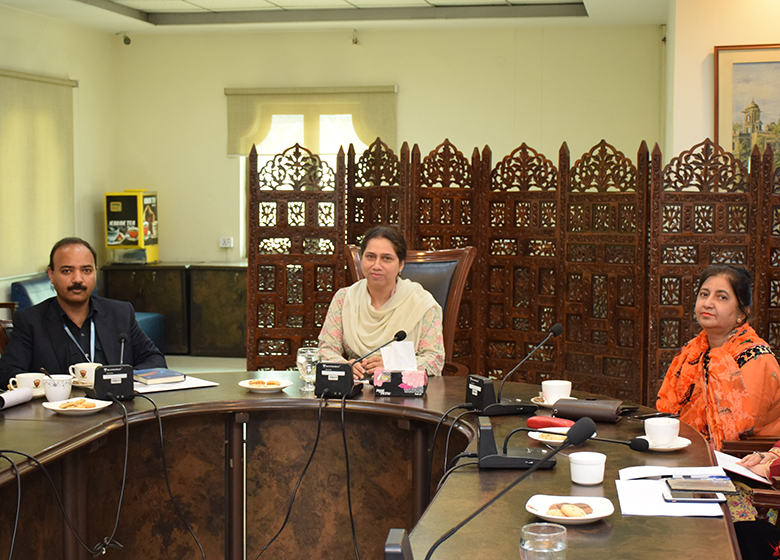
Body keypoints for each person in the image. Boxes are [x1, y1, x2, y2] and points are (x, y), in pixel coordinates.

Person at [0, 237, 166, 386]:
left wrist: (121, 379)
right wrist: (51, 386)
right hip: (59, 407)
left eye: (86, 270)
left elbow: (155, 360)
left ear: (95, 273)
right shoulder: (30, 321)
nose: (78, 279)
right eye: (67, 271)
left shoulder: (120, 313)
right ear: (51, 275)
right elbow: (7, 372)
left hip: (116, 405)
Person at [656, 265, 780, 451]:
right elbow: (666, 411)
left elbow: (740, 432)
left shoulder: (756, 359)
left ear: (742, 313)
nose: (708, 303)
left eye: (722, 297)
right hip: (685, 449)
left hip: (746, 458)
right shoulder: (691, 352)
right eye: (704, 294)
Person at [318, 226, 444, 378]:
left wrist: (395, 365)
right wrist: (345, 367)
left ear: (401, 264)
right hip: (356, 385)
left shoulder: (420, 303)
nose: (376, 266)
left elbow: (434, 360)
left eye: (386, 258)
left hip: (403, 388)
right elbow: (326, 350)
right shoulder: (344, 299)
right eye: (370, 257)